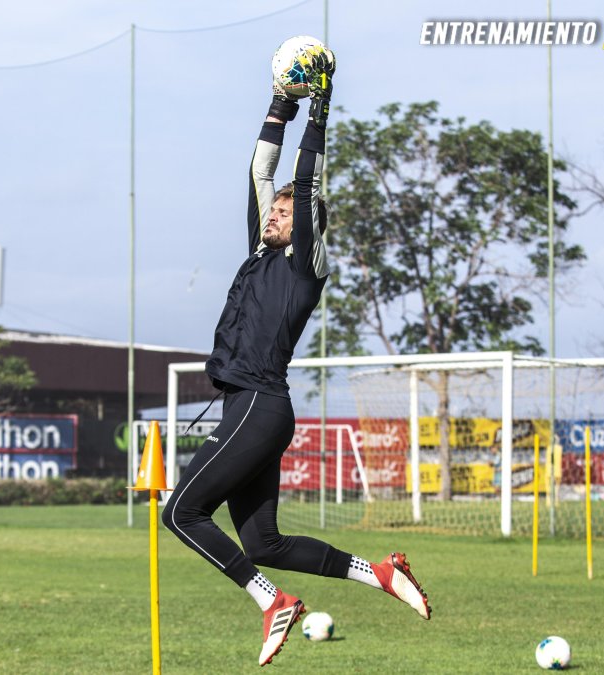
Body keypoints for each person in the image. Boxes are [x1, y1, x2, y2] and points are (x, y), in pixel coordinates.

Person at [161, 48, 431, 667]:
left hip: (259, 405)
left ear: (306, 222)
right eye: (275, 212)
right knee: (264, 542)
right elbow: (260, 172)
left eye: (284, 211)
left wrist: (321, 111)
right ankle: (382, 573)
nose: (274, 215)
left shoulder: (305, 266)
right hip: (247, 407)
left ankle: (270, 602)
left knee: (181, 512)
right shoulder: (260, 252)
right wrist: (281, 104)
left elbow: (304, 183)